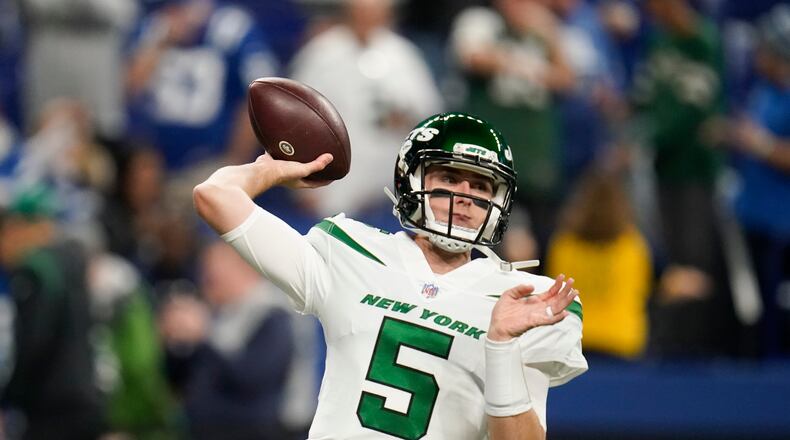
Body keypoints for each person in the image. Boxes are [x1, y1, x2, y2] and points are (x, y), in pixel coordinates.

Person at [193, 112, 586, 438]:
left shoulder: (521, 298)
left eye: (482, 185)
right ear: (410, 181)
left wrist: (501, 346)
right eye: (449, 178)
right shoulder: (350, 251)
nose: (465, 195)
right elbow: (214, 196)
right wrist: (267, 170)